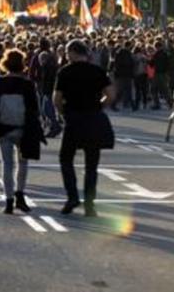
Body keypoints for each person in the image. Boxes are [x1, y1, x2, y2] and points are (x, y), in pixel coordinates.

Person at [53, 39, 115, 217]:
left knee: (66, 158)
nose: (66, 55)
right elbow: (110, 94)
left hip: (74, 118)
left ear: (73, 52)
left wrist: (63, 113)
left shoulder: (65, 72)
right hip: (94, 118)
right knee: (91, 164)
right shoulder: (97, 70)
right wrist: (99, 106)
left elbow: (56, 98)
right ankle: (89, 204)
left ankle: (72, 196)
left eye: (67, 52)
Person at [0, 50, 43, 214]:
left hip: (3, 128)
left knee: (7, 165)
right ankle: (20, 195)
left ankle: (8, 200)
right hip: (23, 128)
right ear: (22, 64)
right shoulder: (28, 84)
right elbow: (34, 108)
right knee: (23, 163)